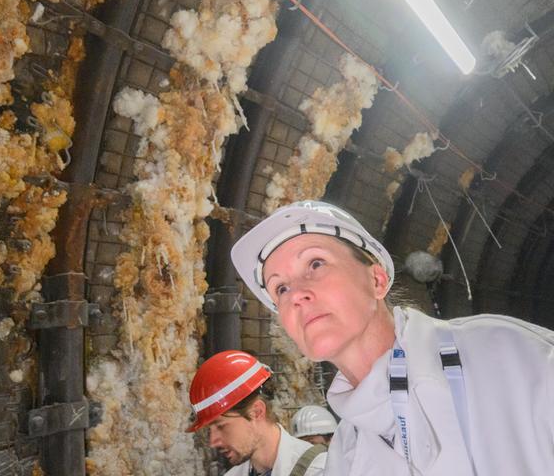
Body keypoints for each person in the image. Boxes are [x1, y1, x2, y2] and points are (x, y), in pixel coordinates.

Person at [230, 199, 554, 475]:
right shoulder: (345, 455)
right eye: (280, 288)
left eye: (315, 263)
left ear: (377, 280)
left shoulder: (504, 355)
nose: (296, 294)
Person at [187, 350, 326, 476]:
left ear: (257, 412)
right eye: (209, 430)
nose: (213, 442)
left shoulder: (320, 470)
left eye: (221, 426)